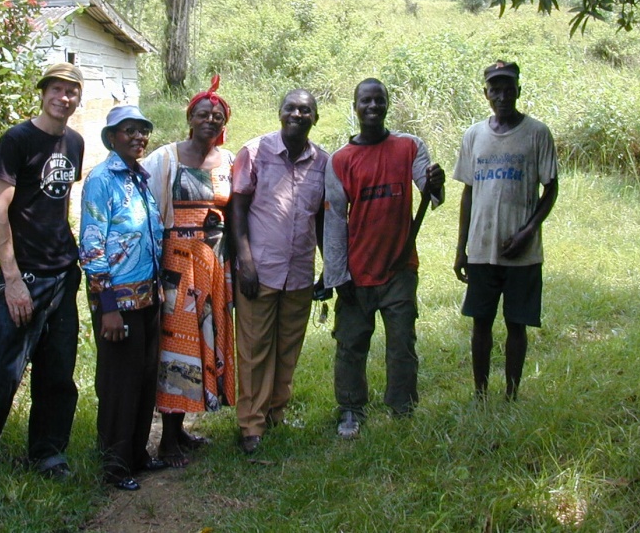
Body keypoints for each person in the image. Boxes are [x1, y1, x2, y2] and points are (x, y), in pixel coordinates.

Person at [0, 63, 84, 481]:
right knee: (2, 371)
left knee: (58, 372)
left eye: (72, 92)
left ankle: (48, 454)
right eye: (57, 89)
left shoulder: (75, 142)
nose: (64, 98)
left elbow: (55, 204)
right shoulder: (17, 140)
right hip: (24, 275)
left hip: (64, 274)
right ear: (43, 93)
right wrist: (12, 280)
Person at [323, 78, 445, 439]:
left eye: (379, 100)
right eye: (366, 101)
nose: (373, 107)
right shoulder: (341, 160)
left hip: (399, 268)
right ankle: (350, 408)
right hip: (356, 273)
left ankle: (402, 408)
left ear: (387, 104)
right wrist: (337, 275)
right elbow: (333, 221)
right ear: (355, 107)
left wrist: (435, 183)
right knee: (350, 345)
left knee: (402, 344)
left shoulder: (409, 146)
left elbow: (431, 194)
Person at [144, 75, 236, 468]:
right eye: (203, 114)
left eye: (217, 116)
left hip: (214, 265)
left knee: (202, 346)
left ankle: (181, 430)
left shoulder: (230, 162)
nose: (210, 121)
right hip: (178, 267)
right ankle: (167, 440)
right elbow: (147, 211)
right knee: (176, 348)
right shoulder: (166, 158)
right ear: (190, 118)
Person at [453, 60, 558, 401]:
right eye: (495, 89)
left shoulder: (536, 133)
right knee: (480, 322)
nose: (502, 95)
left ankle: (512, 393)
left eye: (508, 88)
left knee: (517, 323)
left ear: (519, 91)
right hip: (482, 247)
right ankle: (480, 392)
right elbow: (468, 192)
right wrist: (461, 250)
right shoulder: (474, 135)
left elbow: (551, 188)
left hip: (522, 251)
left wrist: (528, 231)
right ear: (485, 94)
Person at [231, 89, 328, 455]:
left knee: (288, 348)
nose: (298, 114)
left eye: (306, 110)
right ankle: (250, 425)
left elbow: (320, 218)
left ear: (315, 118)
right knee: (255, 349)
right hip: (261, 270)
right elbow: (237, 210)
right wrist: (246, 261)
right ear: (279, 113)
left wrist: (328, 266)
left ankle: (275, 413)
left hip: (300, 272)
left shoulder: (322, 162)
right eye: (291, 108)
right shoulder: (255, 152)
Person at [79, 105, 168, 491]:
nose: (138, 137)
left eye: (143, 131)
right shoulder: (102, 180)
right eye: (129, 131)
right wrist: (109, 308)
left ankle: (137, 454)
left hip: (148, 298)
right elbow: (92, 245)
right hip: (117, 303)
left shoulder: (138, 177)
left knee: (146, 378)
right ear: (112, 137)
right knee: (120, 383)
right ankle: (115, 464)